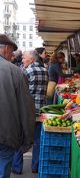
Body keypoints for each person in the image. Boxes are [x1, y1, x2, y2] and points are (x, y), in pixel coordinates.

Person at [0, 34, 35, 178]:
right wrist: (28, 139)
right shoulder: (16, 72)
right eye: (12, 51)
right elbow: (26, 109)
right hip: (5, 136)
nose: (13, 55)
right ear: (6, 49)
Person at [12, 50, 48, 174]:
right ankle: (35, 166)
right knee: (37, 140)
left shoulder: (26, 71)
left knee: (20, 137)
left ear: (32, 59)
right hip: (40, 111)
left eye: (24, 58)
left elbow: (21, 92)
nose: (22, 60)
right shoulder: (45, 71)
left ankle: (17, 167)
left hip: (27, 111)